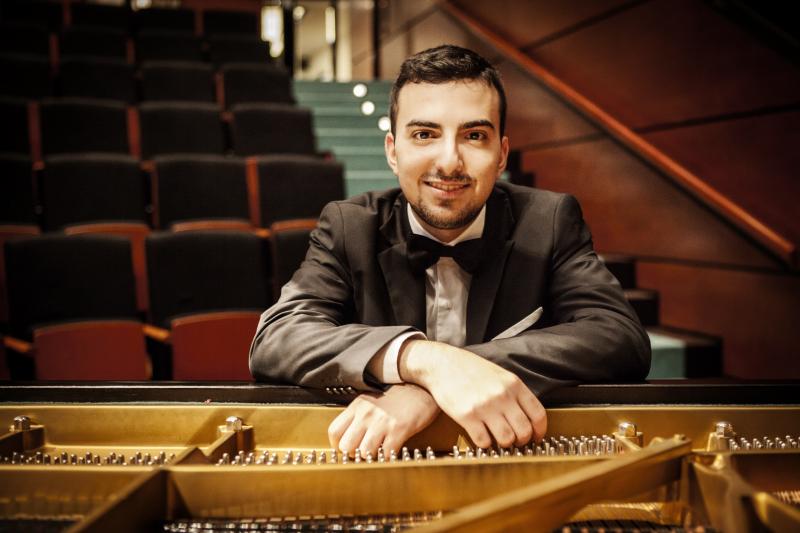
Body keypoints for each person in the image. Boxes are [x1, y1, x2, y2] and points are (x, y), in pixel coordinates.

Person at [250, 44, 650, 457]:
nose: (449, 162)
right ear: (392, 151)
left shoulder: (549, 221)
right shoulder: (349, 225)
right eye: (425, 135)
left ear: (501, 155)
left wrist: (435, 387)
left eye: (474, 136)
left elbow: (618, 336)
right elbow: (279, 337)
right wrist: (425, 362)